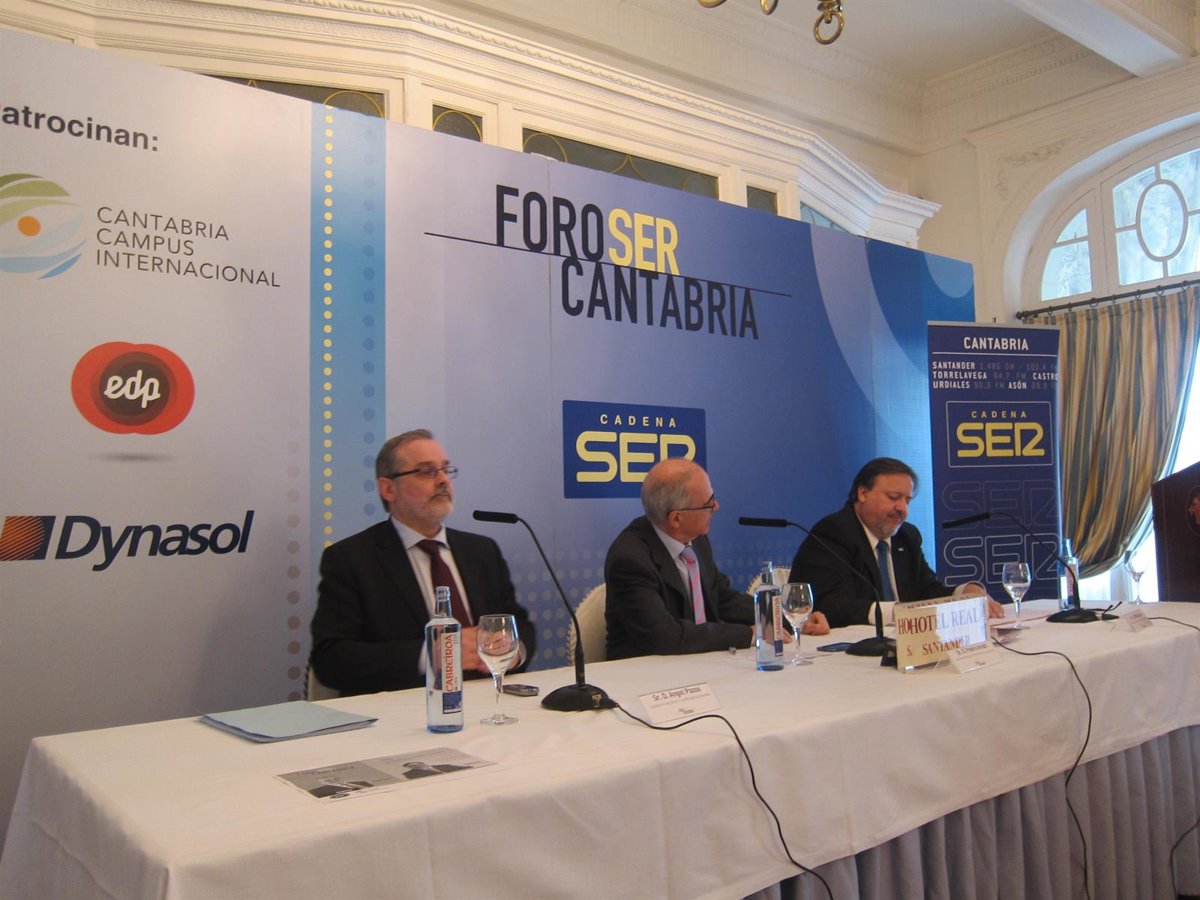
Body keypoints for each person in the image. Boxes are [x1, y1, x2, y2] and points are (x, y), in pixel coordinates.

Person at [309, 429, 535, 696]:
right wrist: (433, 654)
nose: (442, 480)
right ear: (388, 488)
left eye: (445, 470)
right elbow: (331, 659)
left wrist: (512, 650)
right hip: (402, 712)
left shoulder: (482, 551)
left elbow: (520, 625)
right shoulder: (351, 559)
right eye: (427, 471)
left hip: (489, 702)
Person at [605, 458, 829, 660]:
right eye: (708, 503)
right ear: (676, 518)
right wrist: (751, 634)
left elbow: (722, 598)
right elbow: (665, 636)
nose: (717, 507)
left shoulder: (696, 539)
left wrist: (786, 618)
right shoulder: (630, 559)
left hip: (698, 662)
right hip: (647, 673)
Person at [790, 457, 1004, 629]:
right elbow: (831, 605)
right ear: (862, 493)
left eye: (907, 500)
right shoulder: (834, 532)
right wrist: (897, 612)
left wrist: (963, 592)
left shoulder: (907, 536)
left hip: (908, 641)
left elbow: (928, 590)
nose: (903, 509)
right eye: (893, 497)